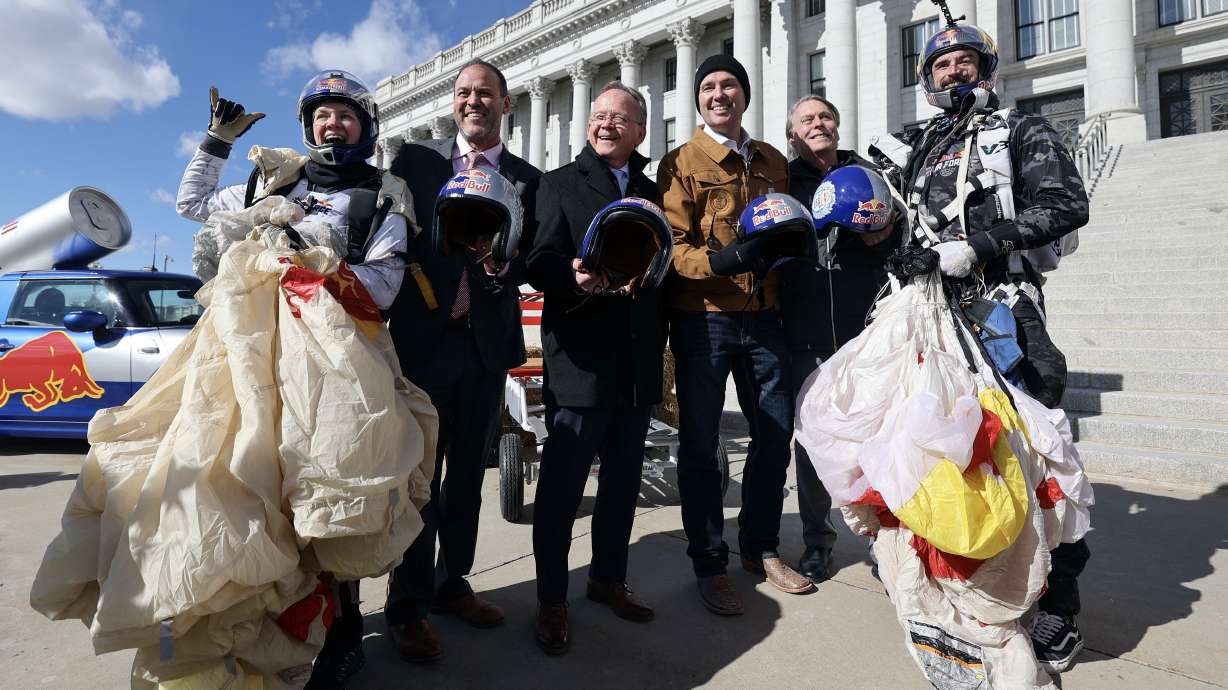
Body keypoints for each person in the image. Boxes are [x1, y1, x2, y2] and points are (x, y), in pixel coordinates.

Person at [175, 70, 411, 689]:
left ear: (366, 126)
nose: (332, 125)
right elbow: (193, 207)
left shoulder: (383, 197)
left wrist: (306, 260)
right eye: (321, 117)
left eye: (345, 115)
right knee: (249, 490)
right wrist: (215, 144)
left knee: (331, 497)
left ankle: (343, 630)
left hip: (339, 367)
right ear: (308, 127)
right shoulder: (271, 179)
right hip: (253, 361)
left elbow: (385, 286)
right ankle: (267, 629)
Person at [886, 18, 1091, 674]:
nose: (954, 72)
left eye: (965, 62)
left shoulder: (1020, 130)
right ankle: (969, 590)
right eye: (942, 67)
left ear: (987, 70)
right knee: (943, 460)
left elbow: (1066, 204)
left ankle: (1058, 601)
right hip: (928, 324)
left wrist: (981, 243)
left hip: (1006, 314)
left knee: (1042, 457)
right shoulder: (915, 149)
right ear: (926, 81)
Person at [383, 58, 541, 664]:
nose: (473, 101)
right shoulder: (416, 165)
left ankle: (454, 583)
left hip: (485, 347)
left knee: (468, 480)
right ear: (454, 105)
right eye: (464, 93)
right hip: (424, 344)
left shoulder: (527, 179)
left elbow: (534, 254)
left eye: (485, 93)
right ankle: (408, 605)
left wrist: (508, 264)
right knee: (418, 479)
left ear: (506, 104)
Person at [657, 54, 814, 617]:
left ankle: (761, 547)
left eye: (728, 85)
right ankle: (708, 560)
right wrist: (723, 262)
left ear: (744, 95)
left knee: (774, 435)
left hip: (765, 314)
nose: (718, 94)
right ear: (698, 99)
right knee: (701, 443)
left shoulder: (772, 159)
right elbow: (671, 245)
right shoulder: (680, 161)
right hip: (704, 317)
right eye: (708, 87)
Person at [525, 82, 668, 655]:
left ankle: (608, 579)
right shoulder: (558, 183)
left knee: (621, 488)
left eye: (621, 118)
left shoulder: (653, 192)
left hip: (636, 364)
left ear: (640, 131)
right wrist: (573, 275)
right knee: (560, 493)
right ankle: (551, 600)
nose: (607, 125)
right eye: (599, 116)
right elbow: (539, 260)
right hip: (580, 363)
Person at [777, 95, 901, 585]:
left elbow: (901, 236)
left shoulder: (868, 173)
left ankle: (884, 540)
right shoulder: (784, 182)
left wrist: (886, 233)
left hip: (865, 328)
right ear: (793, 134)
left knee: (878, 437)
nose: (817, 124)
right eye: (806, 119)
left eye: (825, 116)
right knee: (810, 444)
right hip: (804, 330)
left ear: (838, 124)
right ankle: (817, 542)